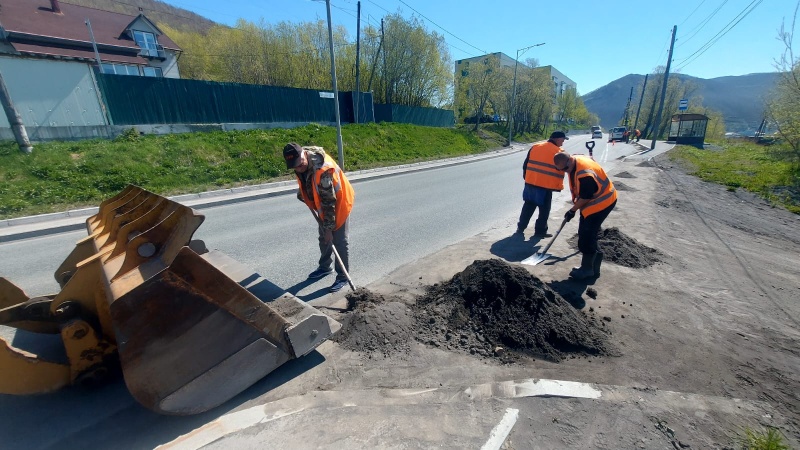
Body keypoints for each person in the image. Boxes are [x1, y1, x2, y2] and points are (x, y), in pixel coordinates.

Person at [283, 143, 355, 293]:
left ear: (304, 154)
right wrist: (303, 194)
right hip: (323, 204)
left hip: (339, 203)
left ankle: (342, 276)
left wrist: (329, 229)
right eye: (295, 167)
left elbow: (329, 202)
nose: (298, 168)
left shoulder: (323, 170)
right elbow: (307, 180)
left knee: (338, 240)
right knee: (324, 238)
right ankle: (325, 267)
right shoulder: (300, 163)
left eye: (300, 164)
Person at [553, 151, 617, 280]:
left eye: (566, 169)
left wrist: (572, 210)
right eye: (561, 170)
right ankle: (594, 268)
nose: (565, 172)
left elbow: (586, 197)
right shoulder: (575, 160)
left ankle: (587, 269)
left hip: (601, 203)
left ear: (570, 160)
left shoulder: (584, 174)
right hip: (597, 199)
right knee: (589, 233)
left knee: (586, 236)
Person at [516, 131, 568, 237]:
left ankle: (521, 228)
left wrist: (527, 178)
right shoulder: (558, 152)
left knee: (528, 206)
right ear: (557, 139)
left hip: (531, 182)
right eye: (562, 140)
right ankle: (540, 231)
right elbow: (564, 168)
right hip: (546, 186)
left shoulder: (535, 147)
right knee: (544, 210)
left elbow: (526, 164)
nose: (563, 143)